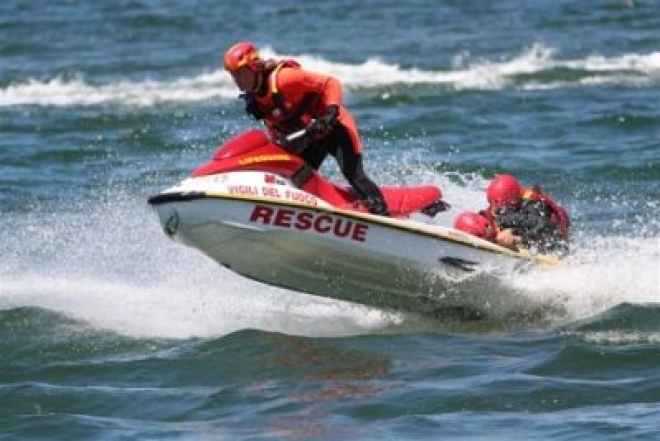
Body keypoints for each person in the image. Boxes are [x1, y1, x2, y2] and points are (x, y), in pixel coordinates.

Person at [222, 41, 389, 216]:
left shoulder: (284, 78)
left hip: (335, 128)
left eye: (241, 74)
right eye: (234, 76)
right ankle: (307, 215)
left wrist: (330, 113)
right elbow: (273, 124)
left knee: (353, 174)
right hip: (308, 137)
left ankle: (383, 213)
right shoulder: (255, 99)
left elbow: (330, 83)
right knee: (294, 176)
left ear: (254, 67)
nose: (237, 81)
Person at [479, 174, 571, 256]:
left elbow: (546, 226)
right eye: (492, 204)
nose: (494, 210)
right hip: (526, 226)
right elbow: (489, 216)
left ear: (513, 202)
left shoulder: (534, 206)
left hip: (551, 238)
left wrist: (517, 239)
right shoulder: (500, 206)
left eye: (499, 207)